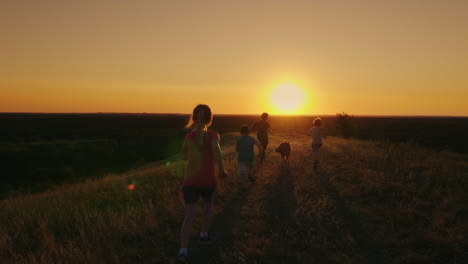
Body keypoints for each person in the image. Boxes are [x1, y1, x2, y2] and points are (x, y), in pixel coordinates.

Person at [178, 104, 228, 263]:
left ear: (194, 118)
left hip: (190, 180)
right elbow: (217, 151)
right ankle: (204, 235)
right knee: (208, 206)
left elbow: (183, 154)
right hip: (208, 179)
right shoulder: (214, 135)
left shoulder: (188, 137)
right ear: (209, 119)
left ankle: (183, 251)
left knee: (189, 215)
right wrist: (222, 170)